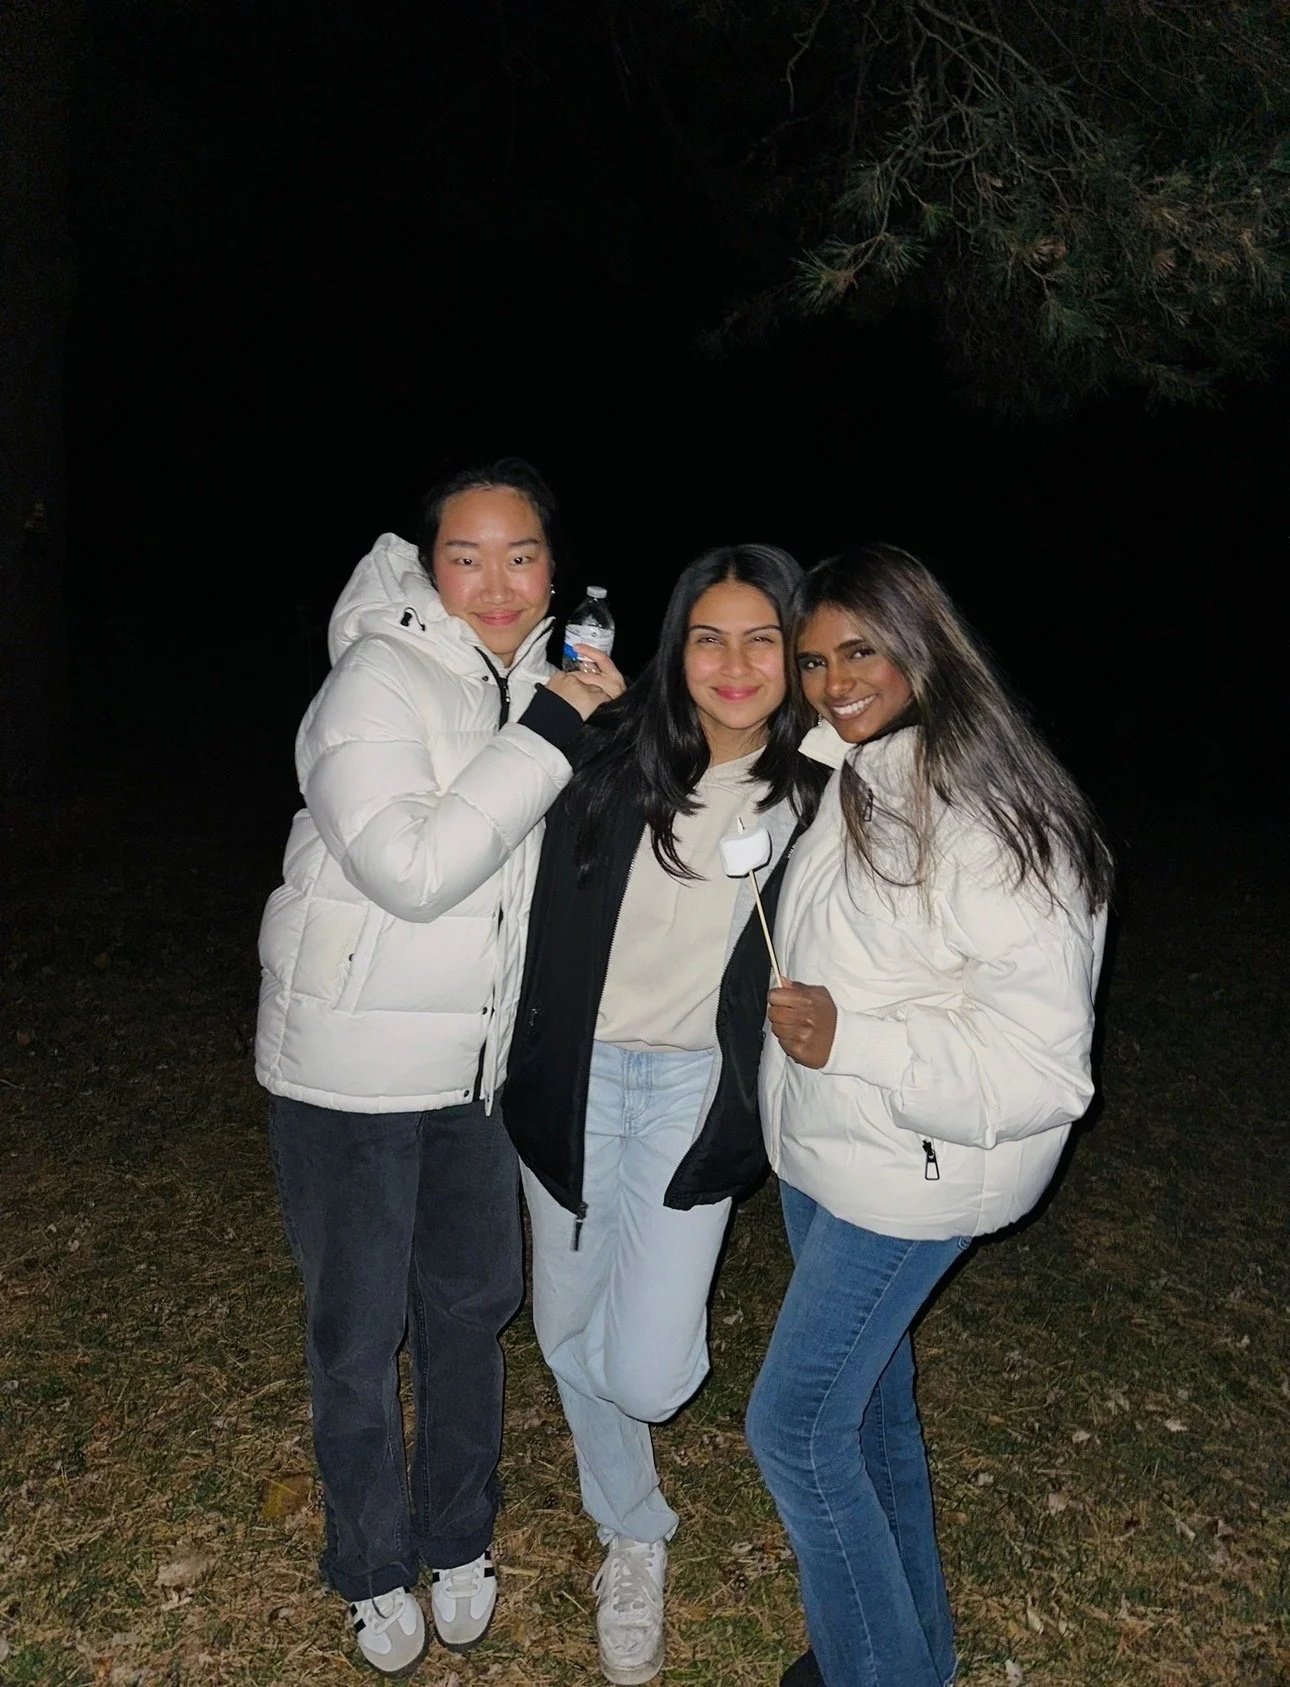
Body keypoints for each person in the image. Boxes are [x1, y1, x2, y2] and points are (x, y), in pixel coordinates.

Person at [254, 459, 624, 1677]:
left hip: (473, 1076)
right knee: (358, 1336)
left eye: (523, 555)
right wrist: (557, 734)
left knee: (471, 1314)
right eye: (467, 555)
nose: (498, 580)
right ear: (426, 566)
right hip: (351, 1077)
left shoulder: (536, 688)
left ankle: (457, 1534)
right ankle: (368, 1563)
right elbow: (412, 871)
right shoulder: (373, 678)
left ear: (554, 571)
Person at [745, 545, 1113, 1687]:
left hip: (916, 1168)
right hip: (835, 1150)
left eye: (860, 648)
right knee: (873, 1415)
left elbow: (1045, 1070)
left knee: (797, 1429)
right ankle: (916, 1661)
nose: (833, 679)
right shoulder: (862, 770)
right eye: (814, 658)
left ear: (923, 643)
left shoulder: (991, 817)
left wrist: (852, 1039)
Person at [504, 546, 825, 1686]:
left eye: (761, 639)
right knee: (560, 1327)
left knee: (642, 1370)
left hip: (694, 1088)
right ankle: (632, 1529)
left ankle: (615, 1422)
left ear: (796, 654)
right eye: (708, 636)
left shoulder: (823, 793)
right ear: (675, 645)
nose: (733, 664)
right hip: (578, 1074)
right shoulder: (610, 754)